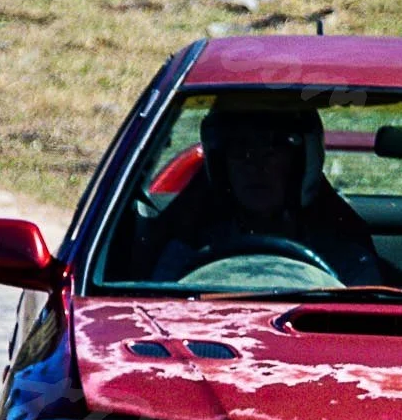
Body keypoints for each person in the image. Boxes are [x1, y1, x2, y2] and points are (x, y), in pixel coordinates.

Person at [138, 103, 385, 286]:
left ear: (299, 165)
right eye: (241, 152)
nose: (255, 168)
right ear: (222, 166)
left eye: (271, 152)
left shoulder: (346, 257)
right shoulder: (186, 250)